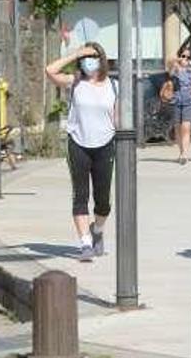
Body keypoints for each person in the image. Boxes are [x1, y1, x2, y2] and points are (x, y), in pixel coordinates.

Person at [44, 42, 116, 262]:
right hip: (78, 144)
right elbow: (50, 70)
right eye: (86, 57)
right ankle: (85, 243)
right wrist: (75, 54)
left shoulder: (113, 85)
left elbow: (118, 117)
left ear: (102, 59)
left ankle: (98, 230)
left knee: (103, 200)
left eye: (93, 56)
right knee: (80, 196)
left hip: (105, 144)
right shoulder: (75, 82)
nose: (89, 60)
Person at [167, 47, 191, 165]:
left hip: (189, 102)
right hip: (176, 101)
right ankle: (181, 151)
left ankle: (185, 154)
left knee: (186, 127)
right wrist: (178, 60)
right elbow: (170, 63)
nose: (186, 59)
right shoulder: (175, 69)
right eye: (183, 56)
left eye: (188, 57)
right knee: (178, 128)